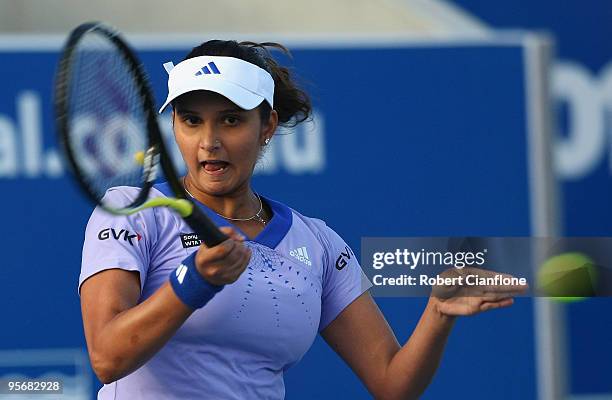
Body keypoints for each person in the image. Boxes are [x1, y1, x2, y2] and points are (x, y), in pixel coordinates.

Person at [79, 40, 523, 400]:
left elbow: (393, 383)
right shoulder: (134, 210)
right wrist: (192, 282)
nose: (208, 141)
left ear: (267, 125)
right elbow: (107, 357)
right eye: (191, 120)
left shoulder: (318, 243)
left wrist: (437, 312)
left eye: (231, 120)